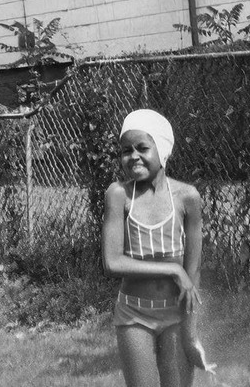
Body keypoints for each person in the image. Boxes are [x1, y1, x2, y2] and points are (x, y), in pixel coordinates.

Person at [102, 109, 205, 387]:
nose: (133, 156)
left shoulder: (187, 198)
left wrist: (191, 334)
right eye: (125, 150)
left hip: (175, 316)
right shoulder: (119, 195)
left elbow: (191, 277)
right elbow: (112, 263)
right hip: (134, 315)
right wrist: (172, 269)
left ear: (163, 150)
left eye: (142, 148)